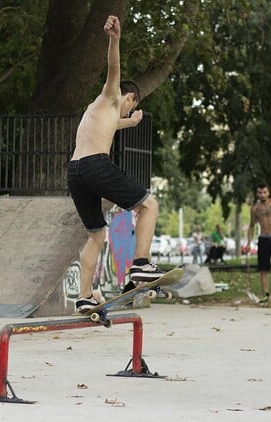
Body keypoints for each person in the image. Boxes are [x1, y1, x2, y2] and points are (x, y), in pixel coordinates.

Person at [67, 15, 165, 313]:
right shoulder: (111, 95)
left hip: (75, 171)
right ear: (130, 96)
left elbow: (107, 126)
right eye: (131, 106)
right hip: (97, 165)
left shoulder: (94, 110)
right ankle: (141, 264)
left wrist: (129, 121)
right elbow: (114, 70)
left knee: (96, 234)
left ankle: (84, 296)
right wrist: (115, 39)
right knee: (149, 205)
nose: (129, 110)